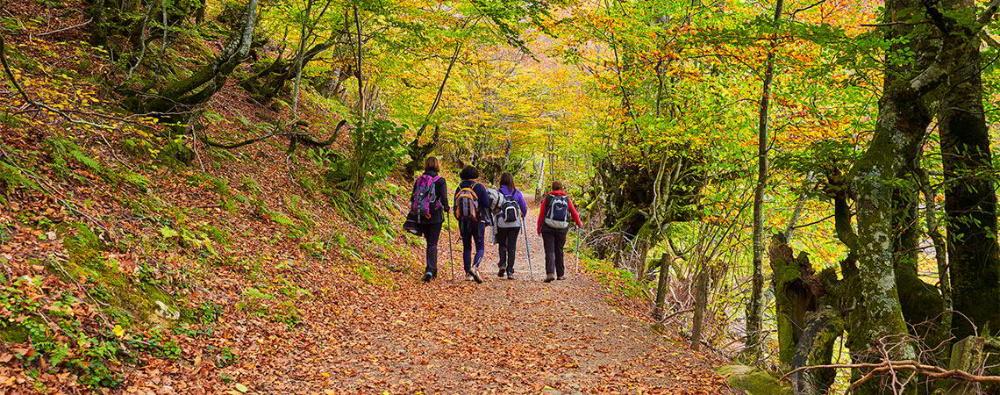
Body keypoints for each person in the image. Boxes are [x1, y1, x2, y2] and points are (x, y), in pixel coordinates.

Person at [410, 157, 449, 282]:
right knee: (433, 243)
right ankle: (431, 269)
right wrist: (447, 208)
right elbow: (444, 199)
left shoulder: (419, 180)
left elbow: (413, 198)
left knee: (429, 243)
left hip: (422, 215)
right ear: (437, 165)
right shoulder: (440, 181)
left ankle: (430, 269)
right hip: (435, 216)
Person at [537, 181, 583, 283]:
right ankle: (561, 274)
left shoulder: (548, 198)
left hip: (548, 227)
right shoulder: (566, 199)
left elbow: (542, 214)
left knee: (549, 250)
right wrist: (579, 223)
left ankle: (550, 273)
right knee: (559, 250)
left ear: (552, 188)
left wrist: (539, 227)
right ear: (561, 188)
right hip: (562, 228)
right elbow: (574, 212)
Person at [454, 165, 491, 283]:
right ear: (475, 175)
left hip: (463, 221)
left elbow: (455, 205)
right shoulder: (479, 187)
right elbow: (486, 203)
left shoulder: (459, 187)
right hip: (478, 220)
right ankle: (475, 267)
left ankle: (467, 274)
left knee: (467, 246)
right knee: (480, 246)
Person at [494, 173, 528, 279]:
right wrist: (522, 215)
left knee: (502, 244)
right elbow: (524, 208)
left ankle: (502, 264)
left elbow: (493, 206)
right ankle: (510, 271)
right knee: (512, 247)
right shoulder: (517, 193)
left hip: (501, 223)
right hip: (515, 223)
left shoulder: (498, 193)